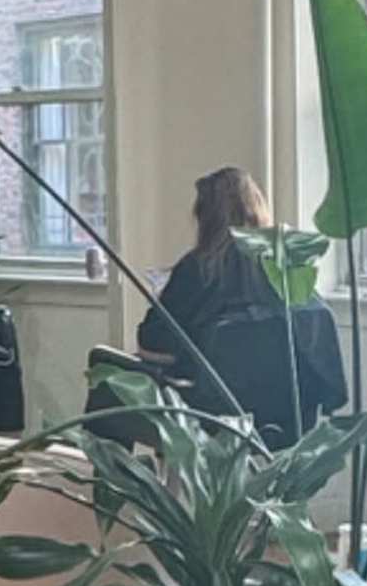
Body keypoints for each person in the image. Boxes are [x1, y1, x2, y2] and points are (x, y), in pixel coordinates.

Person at [138, 166, 348, 447]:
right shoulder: (287, 265)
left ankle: (107, 476)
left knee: (109, 374)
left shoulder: (198, 269)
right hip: (292, 420)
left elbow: (151, 343)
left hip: (218, 421)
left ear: (204, 217)